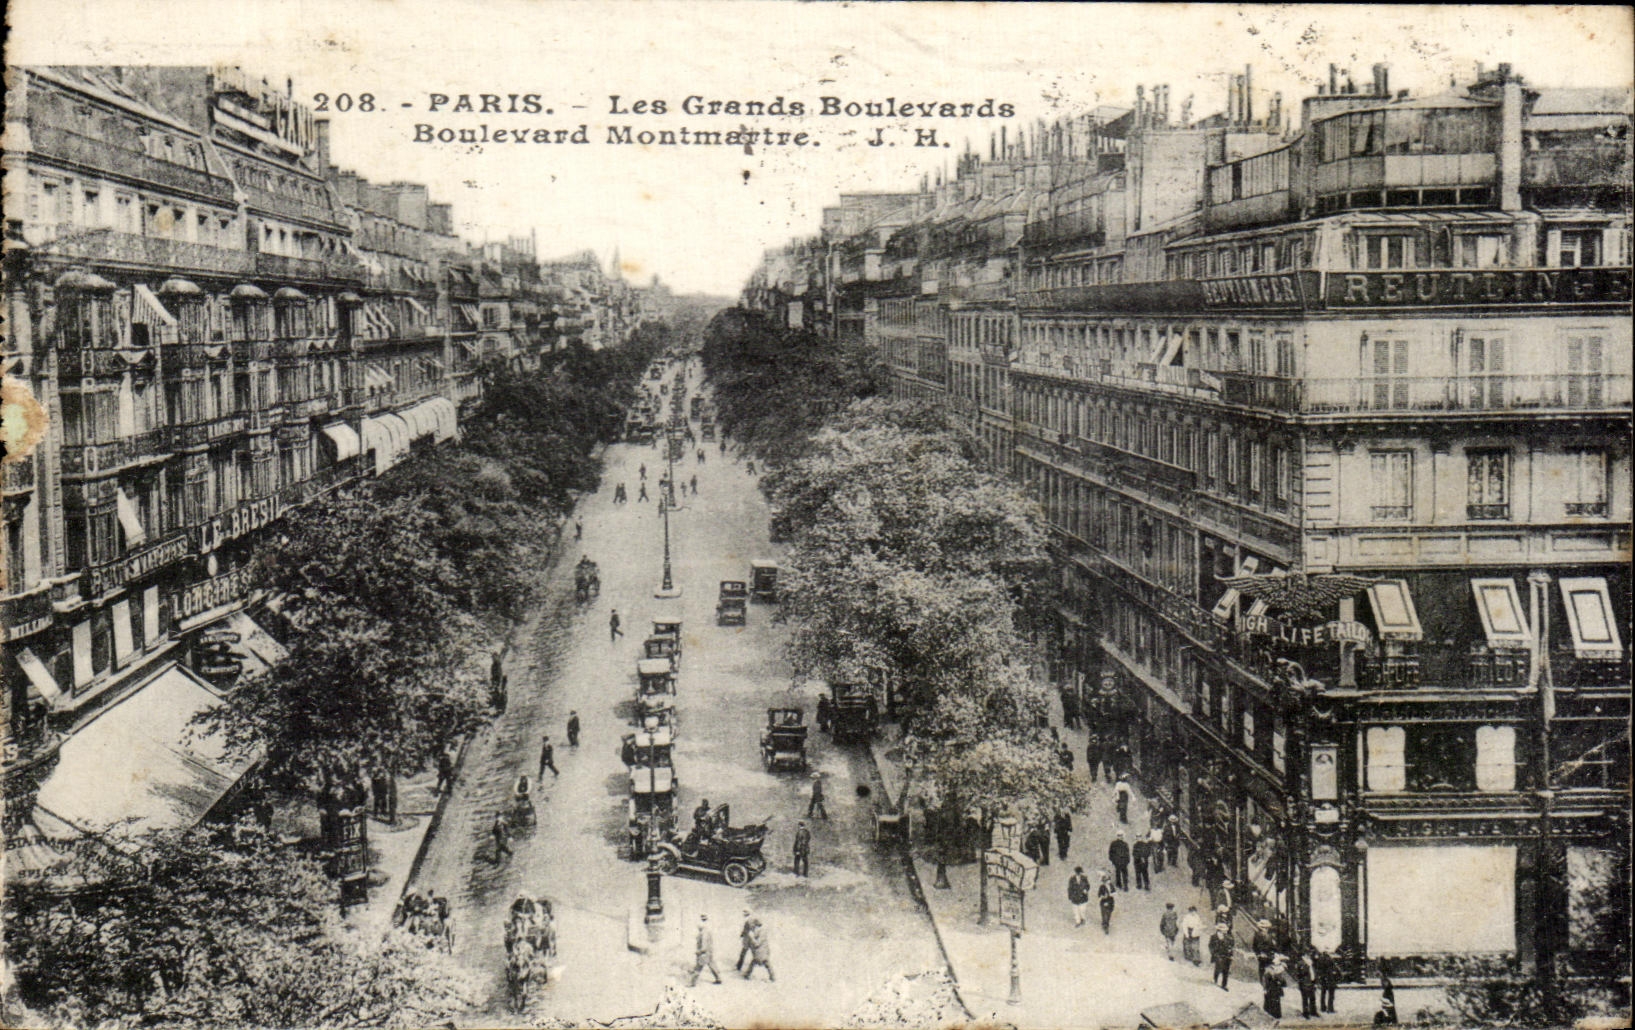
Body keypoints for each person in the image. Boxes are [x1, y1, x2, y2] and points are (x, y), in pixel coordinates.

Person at [687, 914, 722, 986]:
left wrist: (699, 952)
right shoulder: (707, 931)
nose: (698, 928)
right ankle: (718, 979)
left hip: (704, 954)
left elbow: (704, 946)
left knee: (698, 968)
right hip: (709, 952)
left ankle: (692, 983)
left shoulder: (703, 933)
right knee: (712, 965)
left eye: (698, 927)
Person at [1294, 949, 1319, 1018]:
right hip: (1304, 984)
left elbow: (1314, 973)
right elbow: (1299, 974)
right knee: (1305, 999)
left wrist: (1315, 981)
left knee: (1313, 998)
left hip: (1312, 983)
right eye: (1307, 955)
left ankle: (1313, 1012)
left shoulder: (1311, 963)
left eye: (1309, 955)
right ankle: (1306, 1013)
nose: (1309, 956)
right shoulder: (1301, 963)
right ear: (1304, 956)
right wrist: (1307, 966)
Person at [1210, 925, 1235, 990]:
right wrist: (1214, 953)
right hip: (1218, 955)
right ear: (1219, 930)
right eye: (1223, 929)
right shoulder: (1214, 936)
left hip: (1227, 955)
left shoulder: (1229, 937)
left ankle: (1224, 984)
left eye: (1225, 929)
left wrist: (1231, 955)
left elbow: (1231, 947)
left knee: (1226, 970)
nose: (1225, 930)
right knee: (1218, 967)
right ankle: (1215, 978)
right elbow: (1211, 946)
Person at [1314, 949, 1339, 1013]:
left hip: (1323, 978)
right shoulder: (1329, 959)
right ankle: (1330, 1008)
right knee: (1331, 994)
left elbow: (1318, 969)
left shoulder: (1320, 958)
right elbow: (1332, 968)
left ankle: (1323, 1007)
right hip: (1330, 978)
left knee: (1323, 993)